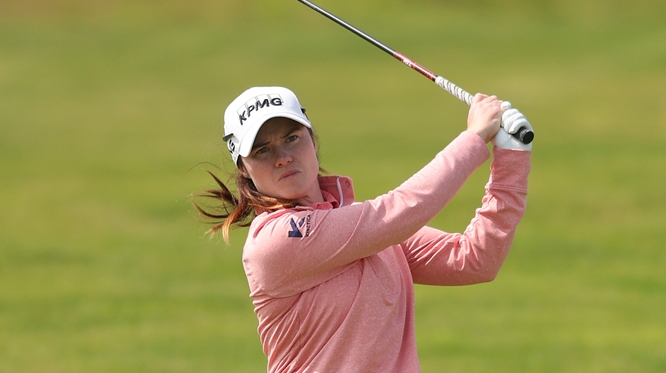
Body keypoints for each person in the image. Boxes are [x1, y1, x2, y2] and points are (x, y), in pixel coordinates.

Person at [195, 86, 532, 373]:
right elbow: (400, 211)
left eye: (292, 138)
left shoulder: (367, 231)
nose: (282, 157)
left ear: (312, 140)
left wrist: (512, 155)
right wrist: (474, 138)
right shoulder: (277, 239)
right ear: (244, 168)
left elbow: (474, 260)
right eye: (262, 150)